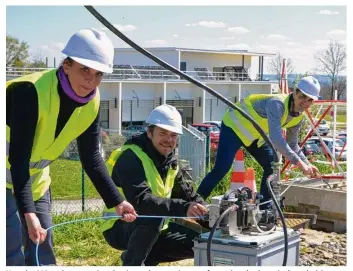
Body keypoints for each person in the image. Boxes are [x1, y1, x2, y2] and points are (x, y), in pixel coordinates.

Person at [6, 28, 137, 266]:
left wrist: (117, 201)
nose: (91, 80)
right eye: (84, 69)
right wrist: (29, 213)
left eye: (99, 74)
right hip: (11, 172)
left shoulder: (92, 102)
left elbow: (91, 158)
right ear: (66, 65)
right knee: (9, 250)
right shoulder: (29, 92)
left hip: (34, 180)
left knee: (42, 250)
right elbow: (19, 158)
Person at [101, 104, 208, 266]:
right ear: (149, 133)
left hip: (156, 226)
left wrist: (214, 217)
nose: (169, 140)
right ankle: (132, 264)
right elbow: (142, 203)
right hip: (119, 228)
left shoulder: (171, 163)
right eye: (163, 133)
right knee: (152, 216)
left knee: (203, 242)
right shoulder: (130, 158)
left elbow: (190, 197)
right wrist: (184, 208)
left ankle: (147, 260)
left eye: (173, 135)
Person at [197, 76, 322, 206]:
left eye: (310, 100)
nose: (306, 103)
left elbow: (292, 144)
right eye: (303, 97)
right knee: (221, 168)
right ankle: (195, 202)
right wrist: (300, 164)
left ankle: (263, 209)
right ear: (295, 92)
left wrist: (307, 164)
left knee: (272, 165)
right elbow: (277, 139)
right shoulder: (277, 104)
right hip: (234, 128)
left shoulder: (299, 117)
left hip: (254, 136)